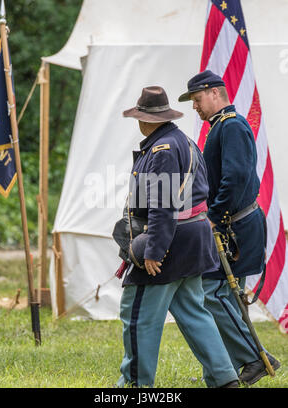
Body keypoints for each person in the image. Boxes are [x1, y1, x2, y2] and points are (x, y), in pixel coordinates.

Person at [115, 85, 239, 388]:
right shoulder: (181, 140)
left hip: (169, 242)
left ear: (146, 119)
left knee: (137, 314)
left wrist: (154, 250)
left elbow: (163, 205)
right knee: (194, 313)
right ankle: (225, 379)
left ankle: (134, 385)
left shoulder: (162, 150)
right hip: (191, 241)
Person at [178, 70, 280, 386]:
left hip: (235, 226)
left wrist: (214, 215)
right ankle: (227, 368)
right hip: (233, 225)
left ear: (214, 93)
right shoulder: (222, 127)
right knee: (222, 295)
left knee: (213, 293)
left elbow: (234, 178)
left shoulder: (232, 126)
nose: (195, 106)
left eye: (197, 99)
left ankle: (255, 358)